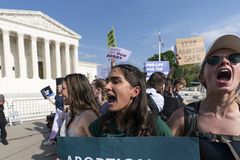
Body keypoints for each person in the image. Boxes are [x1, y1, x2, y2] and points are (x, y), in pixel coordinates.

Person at [168, 34, 240, 159]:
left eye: (234, 58)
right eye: (213, 60)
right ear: (202, 78)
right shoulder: (182, 119)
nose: (224, 61)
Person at [89, 64, 172, 137]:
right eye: (108, 81)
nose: (107, 86)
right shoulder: (100, 125)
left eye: (116, 81)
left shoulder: (155, 126)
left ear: (135, 91)